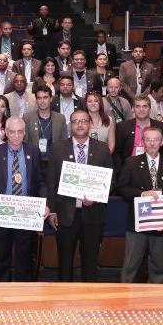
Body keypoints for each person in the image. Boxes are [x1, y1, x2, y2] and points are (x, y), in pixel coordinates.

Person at [46, 109, 114, 282]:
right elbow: (51, 182)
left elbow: (111, 181)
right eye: (76, 121)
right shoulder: (57, 149)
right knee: (64, 262)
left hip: (93, 215)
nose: (80, 124)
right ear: (70, 125)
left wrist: (96, 197)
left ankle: (89, 296)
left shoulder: (102, 149)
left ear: (90, 124)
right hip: (65, 215)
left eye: (83, 121)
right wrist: (52, 211)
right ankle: (64, 296)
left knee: (90, 262)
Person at [0, 116, 48, 281]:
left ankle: (24, 293)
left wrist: (45, 204)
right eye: (12, 132)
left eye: (20, 132)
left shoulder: (33, 151)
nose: (16, 136)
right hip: (2, 213)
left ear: (24, 133)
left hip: (26, 214)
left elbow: (40, 182)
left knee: (25, 259)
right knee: (2, 259)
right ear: (6, 133)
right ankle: (1, 292)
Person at [117, 127, 163, 283]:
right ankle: (124, 295)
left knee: (160, 266)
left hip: (161, 225)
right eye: (148, 140)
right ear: (143, 142)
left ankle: (157, 297)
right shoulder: (131, 162)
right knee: (130, 265)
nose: (152, 143)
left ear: (162, 142)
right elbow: (121, 188)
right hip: (137, 223)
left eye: (155, 139)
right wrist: (142, 194)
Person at [114, 95, 163, 174]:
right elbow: (117, 153)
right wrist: (122, 171)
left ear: (150, 109)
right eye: (137, 106)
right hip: (129, 170)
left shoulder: (161, 127)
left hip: (154, 169)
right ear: (133, 109)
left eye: (145, 106)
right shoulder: (122, 127)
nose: (141, 109)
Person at [24, 86, 68, 174]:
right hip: (34, 163)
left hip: (54, 163)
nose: (42, 101)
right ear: (36, 100)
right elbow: (25, 142)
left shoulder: (60, 118)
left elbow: (64, 142)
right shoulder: (27, 118)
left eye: (45, 97)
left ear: (51, 99)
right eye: (39, 98)